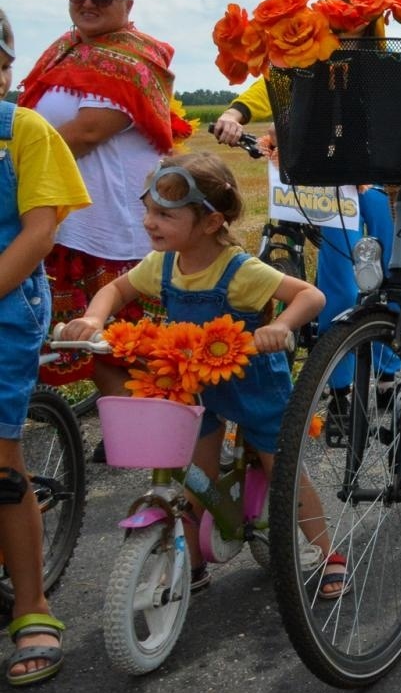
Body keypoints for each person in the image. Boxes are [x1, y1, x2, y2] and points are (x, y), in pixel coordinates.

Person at [60, 153, 341, 596]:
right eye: (148, 211)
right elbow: (116, 289)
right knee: (195, 475)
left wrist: (281, 326)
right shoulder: (162, 265)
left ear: (210, 223)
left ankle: (327, 554)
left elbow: (310, 296)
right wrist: (94, 319)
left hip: (253, 385)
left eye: (165, 215)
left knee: (284, 471)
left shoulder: (240, 270)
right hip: (193, 386)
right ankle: (190, 563)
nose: (150, 223)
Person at [210, 0, 400, 390]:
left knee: (389, 266)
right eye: (340, 0)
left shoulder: (384, 63)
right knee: (339, 280)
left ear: (373, 13)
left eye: (357, 2)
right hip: (326, 180)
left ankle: (388, 366)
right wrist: (234, 114)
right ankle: (338, 384)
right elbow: (270, 85)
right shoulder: (312, 55)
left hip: (371, 179)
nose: (348, 10)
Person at [18, 0, 190, 387]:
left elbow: (88, 131)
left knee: (129, 352)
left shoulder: (135, 60)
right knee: (88, 346)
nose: (87, 3)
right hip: (69, 219)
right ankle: (127, 423)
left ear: (127, 4)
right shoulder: (64, 51)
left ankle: (165, 424)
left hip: (113, 227)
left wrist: (17, 160)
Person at [0, 7, 91, 687]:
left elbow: (39, 231)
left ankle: (31, 604)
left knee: (2, 462)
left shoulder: (23, 132)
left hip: (5, 304)